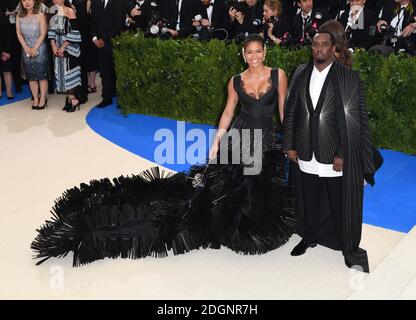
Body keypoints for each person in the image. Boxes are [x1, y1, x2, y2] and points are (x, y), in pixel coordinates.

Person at [31, 34, 296, 267]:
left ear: (265, 52)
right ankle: (235, 229)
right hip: (238, 136)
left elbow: (283, 111)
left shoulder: (278, 75)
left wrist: (288, 139)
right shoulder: (236, 81)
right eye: (249, 52)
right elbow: (228, 112)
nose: (254, 57)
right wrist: (217, 140)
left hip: (263, 139)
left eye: (258, 51)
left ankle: (250, 227)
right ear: (243, 54)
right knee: (234, 185)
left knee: (256, 184)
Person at [282, 31, 382, 273]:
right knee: (308, 199)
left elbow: (353, 119)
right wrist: (289, 144)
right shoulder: (301, 73)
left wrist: (343, 153)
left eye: (324, 44)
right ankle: (308, 237)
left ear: (333, 48)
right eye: (315, 44)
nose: (319, 48)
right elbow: (291, 110)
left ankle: (348, 248)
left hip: (334, 154)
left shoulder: (347, 77)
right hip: (305, 149)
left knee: (341, 204)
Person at [90, 0, 127, 108]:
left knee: (117, 71)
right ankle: (106, 98)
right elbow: (92, 21)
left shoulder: (119, 3)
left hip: (113, 42)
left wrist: (104, 39)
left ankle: (121, 99)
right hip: (99, 44)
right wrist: (95, 38)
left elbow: (119, 25)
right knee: (104, 72)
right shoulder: (96, 2)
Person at [48, 0, 82, 112]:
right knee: (60, 74)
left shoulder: (70, 11)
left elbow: (75, 31)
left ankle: (74, 99)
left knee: (69, 74)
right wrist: (53, 45)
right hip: (57, 48)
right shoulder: (53, 11)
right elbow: (51, 30)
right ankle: (69, 98)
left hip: (70, 48)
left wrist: (63, 46)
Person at [16, 0, 49, 110]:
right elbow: (19, 34)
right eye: (24, 0)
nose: (27, 2)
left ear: (34, 2)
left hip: (40, 48)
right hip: (26, 49)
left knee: (41, 75)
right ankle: (35, 98)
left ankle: (43, 99)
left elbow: (43, 33)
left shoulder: (40, 15)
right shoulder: (19, 16)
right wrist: (26, 47)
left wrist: (35, 48)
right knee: (31, 76)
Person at [0, 3, 15, 100]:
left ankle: (9, 92)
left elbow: (10, 35)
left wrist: (7, 51)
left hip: (5, 49)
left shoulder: (3, 18)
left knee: (6, 71)